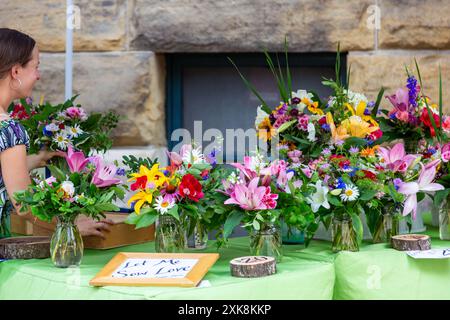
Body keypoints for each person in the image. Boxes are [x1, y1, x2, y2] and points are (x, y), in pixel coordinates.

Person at [0, 28, 114, 239]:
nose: (38, 76)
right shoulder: (8, 130)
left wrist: (35, 159)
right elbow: (25, 204)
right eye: (36, 67)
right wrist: (70, 224)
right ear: (16, 72)